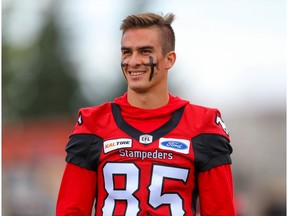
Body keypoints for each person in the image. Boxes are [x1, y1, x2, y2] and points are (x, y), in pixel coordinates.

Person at [56, 12, 235, 216]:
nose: (133, 61)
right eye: (126, 52)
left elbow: (222, 211)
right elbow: (71, 210)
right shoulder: (93, 123)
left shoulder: (203, 124)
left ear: (169, 59)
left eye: (144, 51)